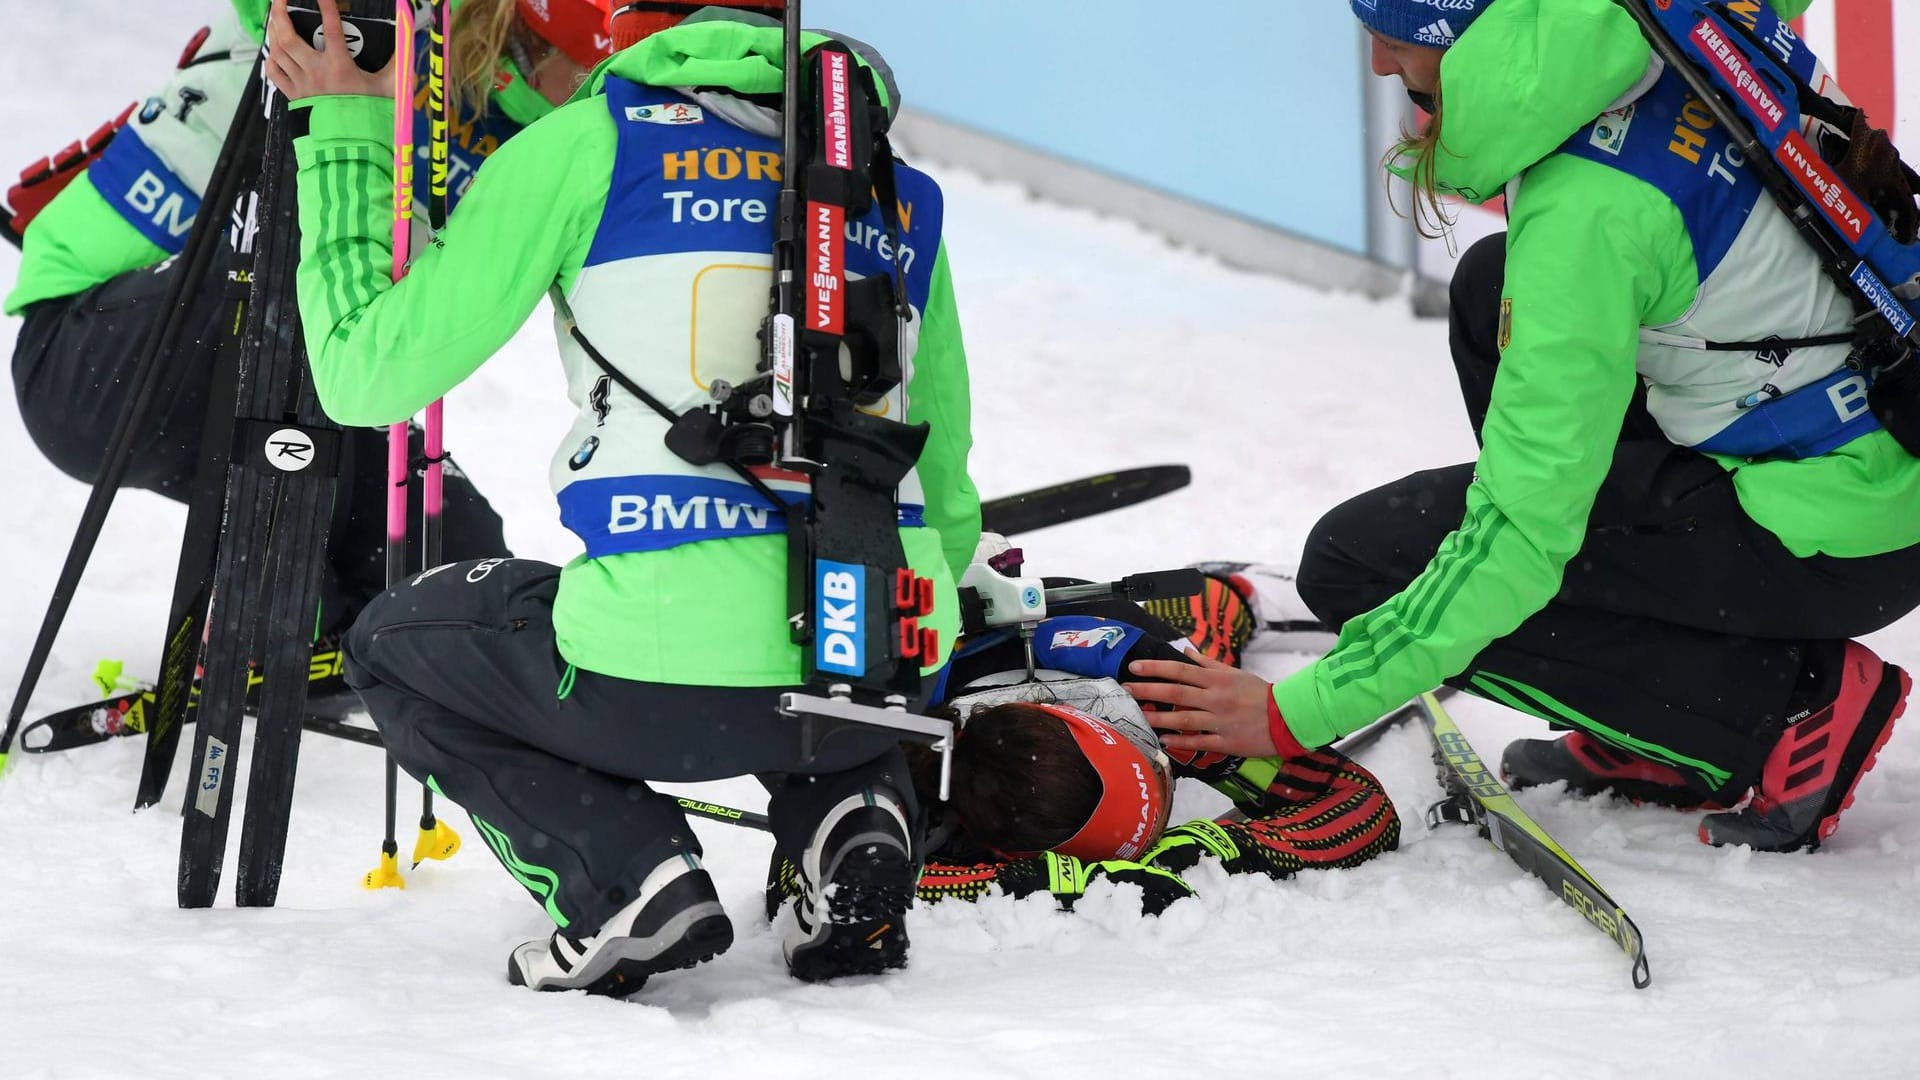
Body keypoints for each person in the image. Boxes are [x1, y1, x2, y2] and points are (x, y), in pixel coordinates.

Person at [268, 0, 978, 994]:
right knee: (813, 588)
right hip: (882, 678)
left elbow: (364, 377)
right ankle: (852, 811)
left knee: (396, 642)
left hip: (660, 686)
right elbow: (942, 484)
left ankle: (626, 879)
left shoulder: (586, 145)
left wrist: (343, 134)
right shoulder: (897, 188)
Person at [1131, 0, 1920, 855]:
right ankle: (1654, 691)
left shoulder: (1586, 213)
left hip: (1835, 530)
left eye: (1392, 36)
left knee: (1361, 563)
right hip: (1870, 450)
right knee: (1488, 289)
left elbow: (1517, 537)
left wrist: (1294, 714)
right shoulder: (1644, 20)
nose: (1378, 67)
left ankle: (1778, 709)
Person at [4, 0, 612, 652]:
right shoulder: (393, 21)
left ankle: (315, 621)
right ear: (531, 43)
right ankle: (269, 587)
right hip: (93, 353)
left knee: (453, 570)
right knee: (290, 271)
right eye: (593, 73)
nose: (611, 94)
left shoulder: (565, 140)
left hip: (277, 361)